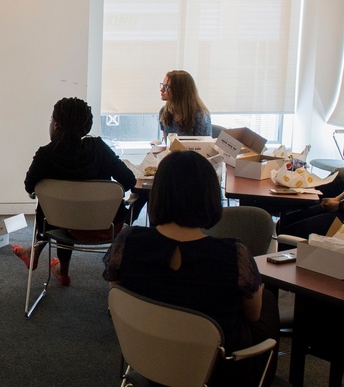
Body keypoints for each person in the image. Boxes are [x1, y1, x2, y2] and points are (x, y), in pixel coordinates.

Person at [103, 150, 276, 386]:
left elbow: (118, 297)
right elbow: (253, 315)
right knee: (267, 302)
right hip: (214, 371)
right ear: (210, 197)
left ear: (158, 194)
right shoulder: (234, 255)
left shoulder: (126, 242)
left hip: (149, 357)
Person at [12, 97, 135, 286]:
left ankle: (48, 259)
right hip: (106, 227)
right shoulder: (99, 149)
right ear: (87, 125)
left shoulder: (46, 155)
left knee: (51, 202)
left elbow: (30, 187)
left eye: (52, 120)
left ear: (57, 125)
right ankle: (56, 266)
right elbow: (129, 181)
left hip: (62, 228)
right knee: (64, 205)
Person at [158, 70, 212, 137]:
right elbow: (168, 145)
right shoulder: (164, 111)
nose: (161, 90)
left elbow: (205, 146)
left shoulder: (200, 115)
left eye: (166, 87)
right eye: (162, 85)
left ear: (179, 90)